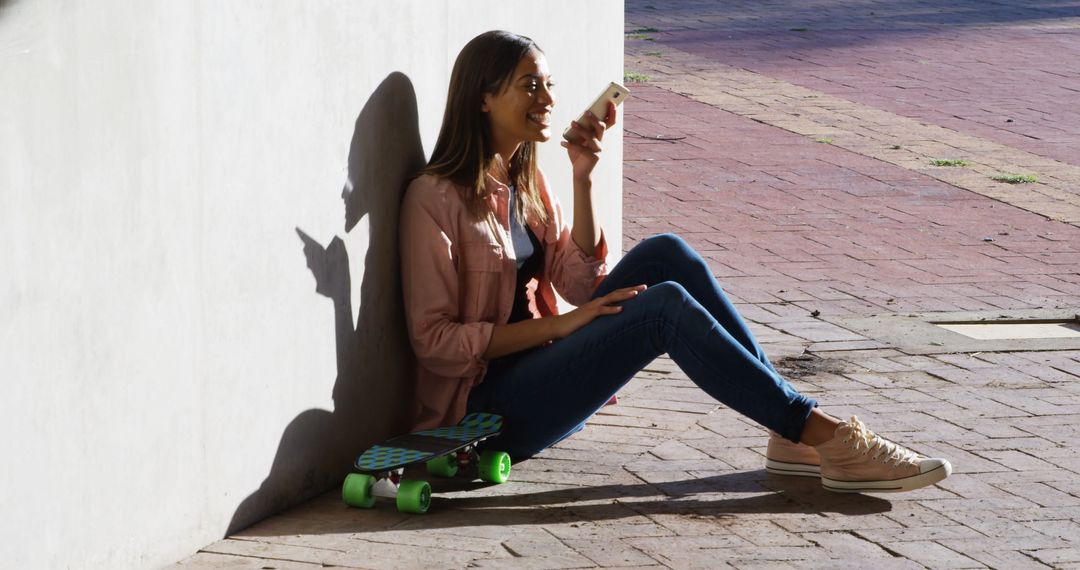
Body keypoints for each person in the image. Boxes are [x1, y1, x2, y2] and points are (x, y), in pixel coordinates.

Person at [399, 30, 952, 493]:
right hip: (485, 411)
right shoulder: (434, 198)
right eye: (529, 86)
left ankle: (790, 432)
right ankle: (823, 436)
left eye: (548, 84)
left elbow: (578, 280)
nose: (546, 98)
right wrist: (565, 324)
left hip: (548, 372)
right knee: (663, 309)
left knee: (668, 253)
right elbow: (436, 342)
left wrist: (582, 175)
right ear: (483, 98)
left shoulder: (526, 181)